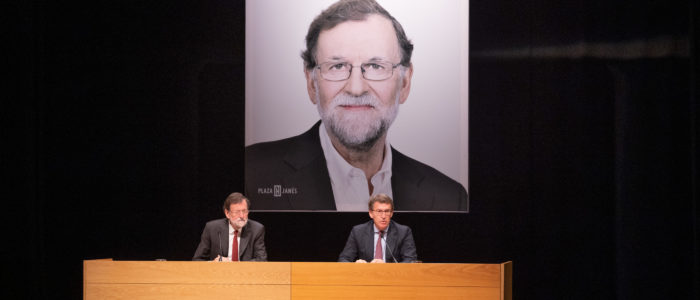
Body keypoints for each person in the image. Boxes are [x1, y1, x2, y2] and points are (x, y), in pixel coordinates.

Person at [245, 0, 468, 211]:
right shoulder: (250, 174)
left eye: (375, 66)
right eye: (338, 66)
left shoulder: (449, 198)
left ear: (405, 83)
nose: (356, 88)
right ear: (312, 83)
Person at [338, 194, 417, 263]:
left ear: (391, 213)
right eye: (379, 211)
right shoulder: (358, 231)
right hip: (366, 276)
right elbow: (344, 259)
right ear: (371, 213)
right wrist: (357, 265)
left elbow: (411, 260)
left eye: (387, 211)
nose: (383, 216)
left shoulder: (403, 232)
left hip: (392, 277)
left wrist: (386, 267)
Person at [193, 192, 267, 261]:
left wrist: (234, 265)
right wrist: (213, 263)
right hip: (218, 273)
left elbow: (261, 260)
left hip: (245, 273)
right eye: (237, 212)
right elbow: (197, 259)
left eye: (244, 211)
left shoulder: (257, 229)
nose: (241, 216)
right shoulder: (212, 228)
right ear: (227, 213)